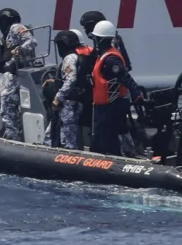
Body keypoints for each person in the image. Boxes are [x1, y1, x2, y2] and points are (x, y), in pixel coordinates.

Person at [89, 21, 147, 156]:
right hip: (105, 106)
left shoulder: (110, 60)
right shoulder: (105, 55)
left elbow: (126, 78)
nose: (95, 42)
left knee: (108, 139)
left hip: (110, 106)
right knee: (103, 137)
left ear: (101, 40)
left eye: (96, 39)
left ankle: (114, 159)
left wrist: (136, 94)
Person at [0, 7, 37, 141]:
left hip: (17, 73)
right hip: (9, 75)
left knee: (7, 105)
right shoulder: (6, 36)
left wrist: (19, 50)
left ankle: (13, 137)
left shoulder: (16, 27)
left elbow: (31, 42)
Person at [44, 30, 95, 149]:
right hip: (74, 101)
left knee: (68, 134)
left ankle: (70, 154)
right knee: (55, 129)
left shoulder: (69, 58)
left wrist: (58, 97)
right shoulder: (78, 57)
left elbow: (71, 79)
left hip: (69, 103)